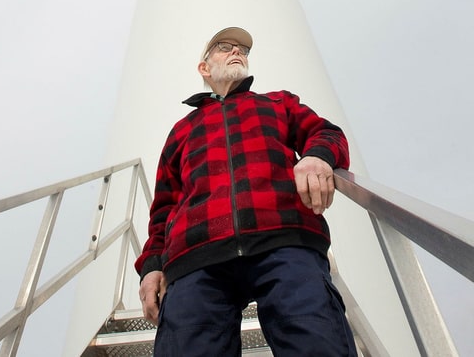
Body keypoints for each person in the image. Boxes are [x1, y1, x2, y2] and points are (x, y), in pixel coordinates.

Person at [135, 26, 357, 356]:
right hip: (195, 259)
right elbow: (164, 208)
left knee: (317, 345)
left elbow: (326, 133)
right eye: (225, 47)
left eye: (243, 49)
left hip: (284, 240)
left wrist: (317, 156)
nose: (238, 51)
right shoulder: (181, 132)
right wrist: (152, 266)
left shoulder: (279, 102)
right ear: (204, 68)